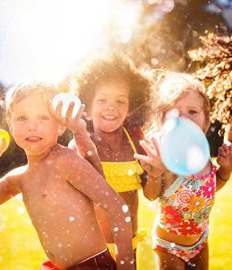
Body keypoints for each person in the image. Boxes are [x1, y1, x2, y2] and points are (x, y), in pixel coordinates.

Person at [0, 83, 135, 270]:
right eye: (22, 118)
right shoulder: (19, 178)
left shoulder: (64, 161)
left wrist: (126, 266)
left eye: (43, 117)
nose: (32, 126)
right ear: (10, 126)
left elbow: (118, 208)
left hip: (92, 265)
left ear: (60, 126)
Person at [134, 73, 232, 269]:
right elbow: (151, 195)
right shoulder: (165, 158)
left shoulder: (204, 158)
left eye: (192, 111)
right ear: (163, 121)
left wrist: (226, 170)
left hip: (200, 242)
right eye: (175, 113)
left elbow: (211, 187)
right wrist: (155, 175)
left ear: (206, 122)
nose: (184, 119)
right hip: (168, 247)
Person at [70, 53, 154, 256]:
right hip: (93, 250)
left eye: (120, 101)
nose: (111, 107)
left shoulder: (136, 142)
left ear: (131, 106)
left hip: (128, 245)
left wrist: (156, 174)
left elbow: (151, 194)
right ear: (87, 106)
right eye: (102, 100)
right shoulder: (79, 145)